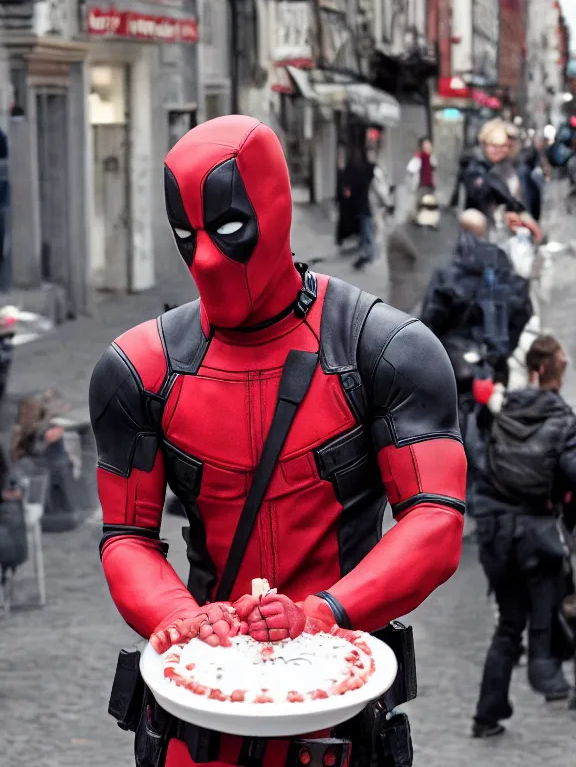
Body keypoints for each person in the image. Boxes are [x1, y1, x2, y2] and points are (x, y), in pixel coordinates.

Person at [89, 115, 467, 767]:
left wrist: (326, 611)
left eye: (229, 228)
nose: (206, 258)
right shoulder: (140, 370)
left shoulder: (384, 351)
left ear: (275, 209)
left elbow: (436, 520)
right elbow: (125, 537)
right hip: (201, 721)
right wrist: (182, 617)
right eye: (188, 236)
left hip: (338, 719)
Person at [472, 334, 576, 738]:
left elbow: (481, 457)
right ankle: (547, 674)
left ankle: (486, 716)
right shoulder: (565, 421)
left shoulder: (504, 408)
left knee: (509, 624)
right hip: (536, 534)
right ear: (557, 373)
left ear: (533, 371)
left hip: (495, 535)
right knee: (552, 609)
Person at [420, 209, 533, 516]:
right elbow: (522, 306)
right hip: (494, 360)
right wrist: (505, 346)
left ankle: (463, 489)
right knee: (494, 419)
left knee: (454, 426)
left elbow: (430, 319)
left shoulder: (448, 269)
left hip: (456, 363)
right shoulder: (502, 264)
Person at [340, 146, 377, 270]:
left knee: (367, 230)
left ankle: (370, 253)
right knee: (366, 228)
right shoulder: (367, 169)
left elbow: (349, 190)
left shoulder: (354, 170)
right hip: (367, 204)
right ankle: (367, 252)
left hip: (364, 205)